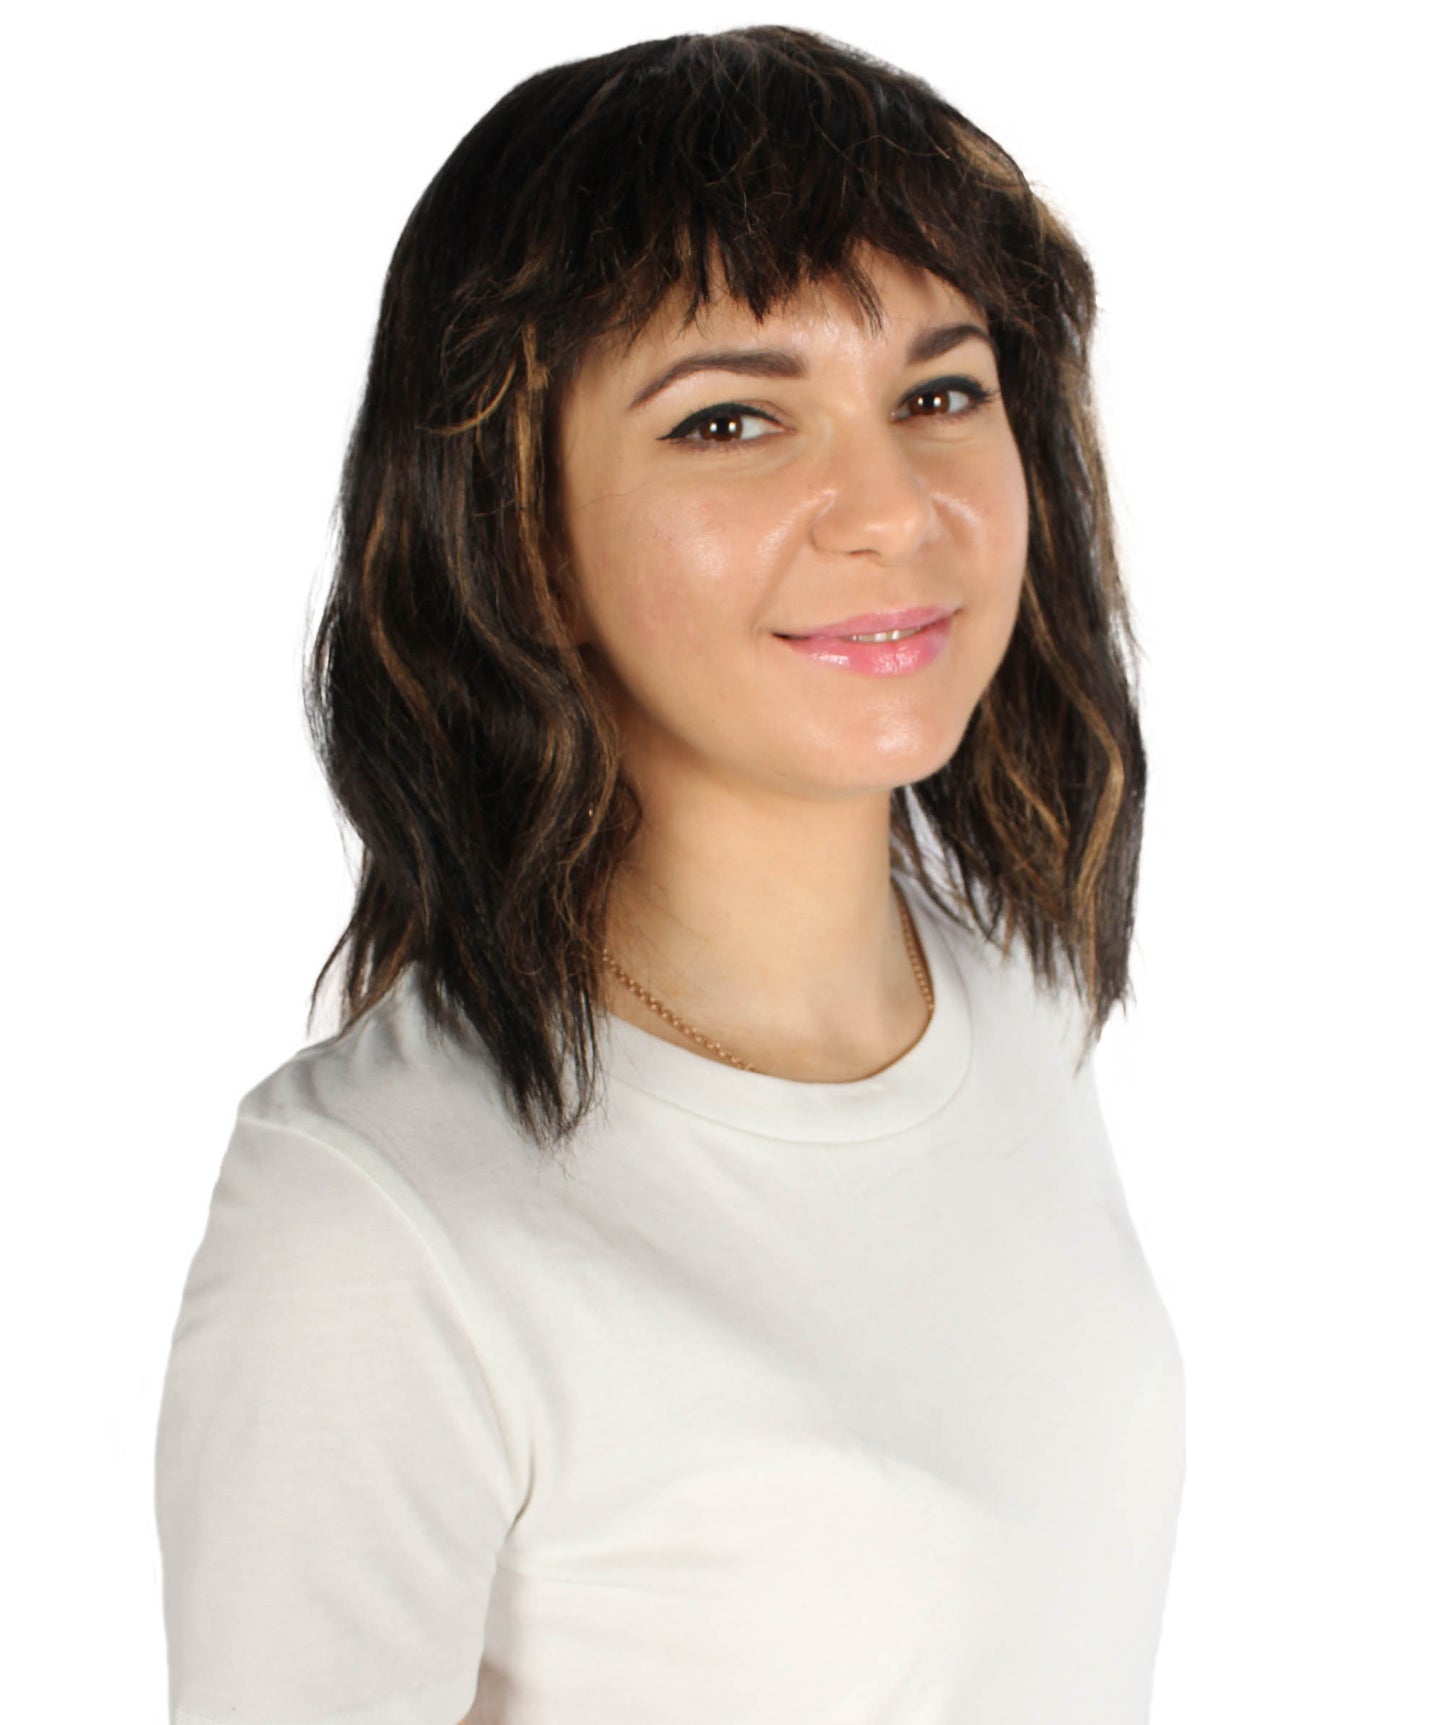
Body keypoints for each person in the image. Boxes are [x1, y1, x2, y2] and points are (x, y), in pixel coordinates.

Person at [154, 24, 1186, 1725]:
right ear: (522, 535)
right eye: (729, 420)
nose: (890, 507)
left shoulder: (1008, 990)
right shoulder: (372, 1218)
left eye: (938, 392)